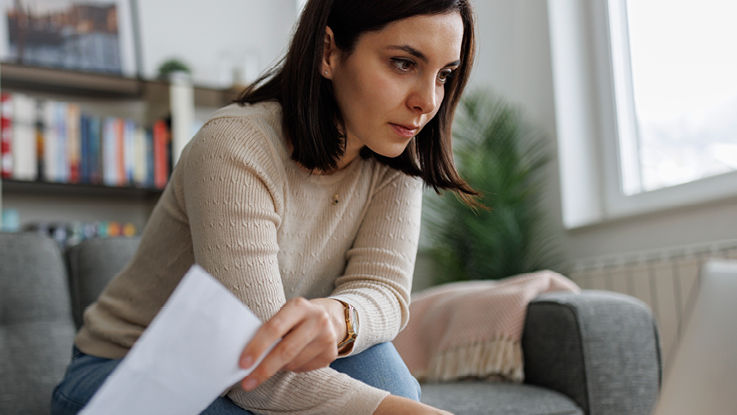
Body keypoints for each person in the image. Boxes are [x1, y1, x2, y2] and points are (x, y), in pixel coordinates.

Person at [51, 0, 478, 414]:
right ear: (328, 52)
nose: (427, 100)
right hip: (127, 368)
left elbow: (385, 292)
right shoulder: (235, 147)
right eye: (404, 63)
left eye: (444, 75)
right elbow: (257, 366)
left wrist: (339, 317)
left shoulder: (395, 154)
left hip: (250, 358)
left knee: (382, 370)